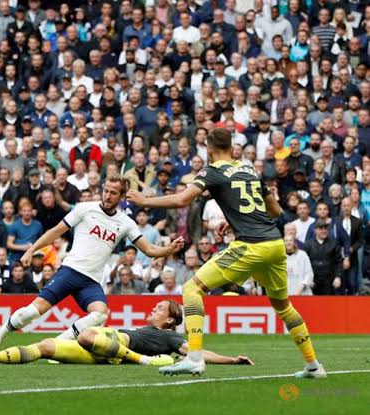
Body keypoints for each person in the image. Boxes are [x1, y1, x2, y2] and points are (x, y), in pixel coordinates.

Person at [127, 128, 323, 378]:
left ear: (208, 149)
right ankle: (313, 365)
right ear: (232, 148)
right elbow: (275, 211)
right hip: (275, 244)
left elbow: (182, 200)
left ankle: (194, 358)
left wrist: (144, 201)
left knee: (192, 289)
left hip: (250, 246)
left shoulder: (212, 171)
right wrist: (234, 222)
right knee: (283, 306)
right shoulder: (249, 169)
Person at [0, 174, 185, 348]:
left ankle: (58, 344)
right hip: (69, 271)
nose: (107, 196)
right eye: (106, 191)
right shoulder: (85, 209)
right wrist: (31, 250)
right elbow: (55, 231)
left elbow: (149, 250)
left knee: (101, 314)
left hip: (91, 281)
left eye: (113, 193)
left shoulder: (126, 222)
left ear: (122, 197)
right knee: (34, 311)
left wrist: (169, 249)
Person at [0, 300, 254, 367]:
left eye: (160, 307)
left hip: (114, 345)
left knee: (85, 335)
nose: (154, 308)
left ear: (170, 320)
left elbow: (197, 353)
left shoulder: (170, 338)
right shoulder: (155, 329)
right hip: (104, 348)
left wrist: (231, 360)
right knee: (45, 345)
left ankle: (142, 361)